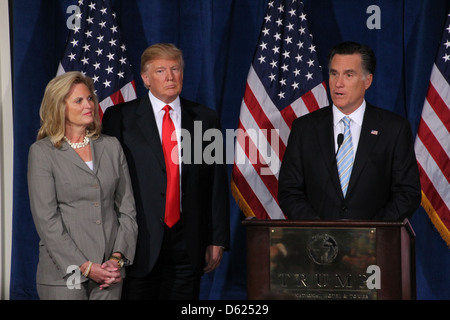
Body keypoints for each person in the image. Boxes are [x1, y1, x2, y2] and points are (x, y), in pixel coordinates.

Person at [102, 43, 230, 300]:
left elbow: (216, 182)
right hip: (139, 241)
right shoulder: (120, 118)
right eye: (161, 71)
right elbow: (109, 182)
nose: (170, 77)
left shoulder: (205, 119)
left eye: (175, 69)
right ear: (146, 78)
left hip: (188, 240)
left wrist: (218, 237)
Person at [278, 41, 421, 221]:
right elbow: (289, 191)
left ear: (367, 81)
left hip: (375, 243)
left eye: (349, 75)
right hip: (317, 244)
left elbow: (408, 193)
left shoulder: (394, 129)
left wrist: (370, 232)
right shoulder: (304, 129)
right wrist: (319, 231)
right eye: (334, 74)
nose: (338, 83)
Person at [27, 72, 138, 300]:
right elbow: (47, 221)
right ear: (59, 107)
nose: (89, 105)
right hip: (64, 274)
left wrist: (117, 259)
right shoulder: (42, 153)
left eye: (90, 99)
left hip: (109, 274)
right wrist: (85, 267)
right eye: (79, 100)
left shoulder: (111, 146)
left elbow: (127, 210)